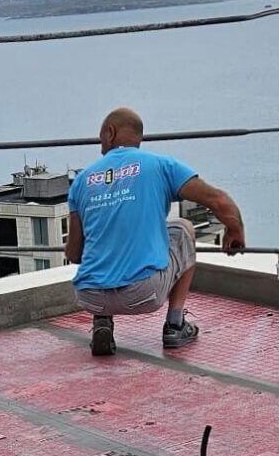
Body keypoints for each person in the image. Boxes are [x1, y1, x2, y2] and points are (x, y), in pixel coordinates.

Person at [65, 107, 245, 356]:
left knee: (104, 237)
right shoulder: (160, 165)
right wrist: (236, 230)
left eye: (100, 140)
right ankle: (175, 325)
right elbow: (219, 201)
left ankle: (102, 322)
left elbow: (74, 254)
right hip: (143, 293)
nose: (100, 148)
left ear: (110, 132)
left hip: (90, 296)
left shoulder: (82, 181)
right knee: (183, 229)